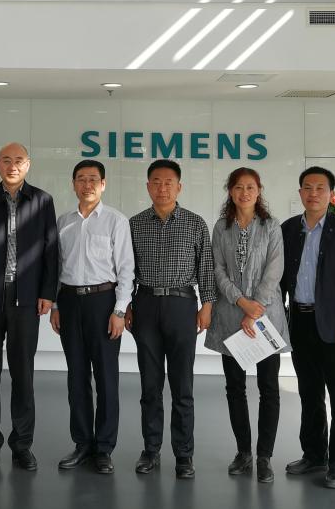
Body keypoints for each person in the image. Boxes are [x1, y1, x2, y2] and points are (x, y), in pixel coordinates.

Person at [0, 142, 59, 471]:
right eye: (6, 160)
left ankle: (22, 445)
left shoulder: (43, 201)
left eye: (18, 160)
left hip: (26, 299)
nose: (12, 165)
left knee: (23, 375)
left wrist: (47, 292)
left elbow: (51, 251)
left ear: (28, 165)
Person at [127, 159, 215, 480]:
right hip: (146, 304)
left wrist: (207, 305)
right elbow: (126, 270)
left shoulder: (195, 223)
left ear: (179, 187)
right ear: (147, 186)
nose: (162, 188)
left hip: (182, 305)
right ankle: (151, 450)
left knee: (182, 385)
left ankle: (184, 454)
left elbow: (206, 268)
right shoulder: (135, 224)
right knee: (150, 385)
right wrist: (126, 305)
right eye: (156, 182)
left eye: (168, 183)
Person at [280, 166, 335, 489]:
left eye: (320, 188)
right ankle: (314, 454)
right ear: (300, 193)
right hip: (300, 322)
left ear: (331, 194)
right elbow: (279, 277)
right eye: (307, 187)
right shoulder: (289, 229)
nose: (313, 193)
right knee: (309, 392)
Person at [50, 160, 135, 474]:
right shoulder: (63, 222)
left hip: (104, 302)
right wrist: (56, 306)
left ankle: (104, 448)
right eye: (81, 179)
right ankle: (82, 443)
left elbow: (126, 270)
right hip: (70, 302)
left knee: (106, 378)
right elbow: (56, 267)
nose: (87, 185)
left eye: (93, 179)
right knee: (76, 377)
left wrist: (119, 311)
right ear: (74, 184)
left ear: (103, 184)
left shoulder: (116, 221)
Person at [205, 167, 289, 484]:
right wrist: (241, 302)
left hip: (265, 318)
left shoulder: (271, 226)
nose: (244, 193)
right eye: (238, 187)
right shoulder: (221, 227)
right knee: (235, 389)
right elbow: (217, 270)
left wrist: (254, 309)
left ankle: (264, 456)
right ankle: (243, 453)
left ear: (259, 190)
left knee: (269, 389)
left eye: (250, 187)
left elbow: (275, 270)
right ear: (230, 191)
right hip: (231, 317)